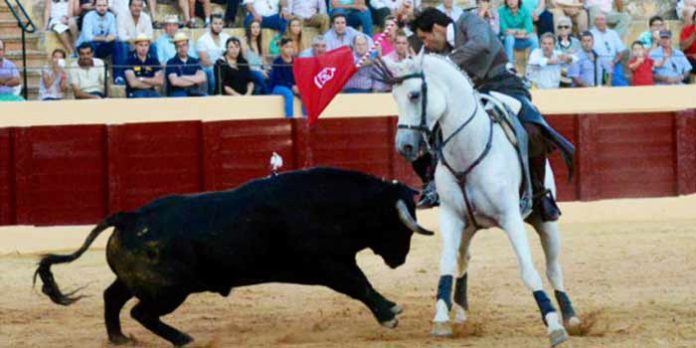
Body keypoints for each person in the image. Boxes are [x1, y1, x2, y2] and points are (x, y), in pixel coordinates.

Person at [409, 8, 575, 220]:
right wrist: (404, 25)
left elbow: (481, 43)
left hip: (505, 85)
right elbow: (419, 56)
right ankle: (432, 184)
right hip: (473, 95)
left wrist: (446, 63)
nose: (425, 45)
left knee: (531, 130)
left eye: (425, 38)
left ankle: (540, 194)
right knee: (427, 131)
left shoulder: (468, 21)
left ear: (436, 29)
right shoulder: (440, 50)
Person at [114, 0, 154, 84]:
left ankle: (151, 74)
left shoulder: (146, 17)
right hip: (127, 44)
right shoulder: (121, 16)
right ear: (129, 7)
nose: (137, 8)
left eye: (139, 6)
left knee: (153, 46)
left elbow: (149, 36)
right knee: (121, 45)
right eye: (134, 6)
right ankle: (120, 76)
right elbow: (121, 36)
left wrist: (139, 44)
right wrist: (135, 42)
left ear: (142, 7)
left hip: (141, 44)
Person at [196, 14, 230, 94]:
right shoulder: (202, 40)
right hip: (210, 68)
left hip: (225, 66)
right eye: (215, 23)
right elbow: (205, 62)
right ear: (210, 24)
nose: (218, 26)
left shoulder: (227, 37)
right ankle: (214, 96)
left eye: (220, 23)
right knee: (213, 72)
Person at [165, 32, 208, 97]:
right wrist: (195, 80)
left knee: (206, 98)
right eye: (179, 46)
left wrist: (183, 77)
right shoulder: (171, 62)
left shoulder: (194, 61)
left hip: (195, 91)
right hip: (178, 92)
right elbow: (174, 81)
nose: (182, 48)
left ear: (188, 46)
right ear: (175, 48)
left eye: (184, 45)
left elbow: (202, 78)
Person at [590, 13, 627, 86]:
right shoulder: (590, 33)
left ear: (606, 21)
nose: (600, 22)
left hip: (613, 60)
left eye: (602, 19)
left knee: (619, 81)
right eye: (597, 20)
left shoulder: (613, 33)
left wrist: (614, 62)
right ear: (594, 22)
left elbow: (621, 51)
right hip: (597, 61)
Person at [499, 0, 539, 64]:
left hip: (521, 39)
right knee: (509, 38)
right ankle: (509, 66)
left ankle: (534, 64)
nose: (511, 2)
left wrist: (515, 32)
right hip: (506, 41)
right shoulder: (501, 11)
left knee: (534, 39)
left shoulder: (525, 10)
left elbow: (529, 28)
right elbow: (504, 29)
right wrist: (519, 32)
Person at [269, 37, 298, 118]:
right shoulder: (277, 61)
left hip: (291, 86)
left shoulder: (295, 61)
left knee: (304, 93)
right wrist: (291, 86)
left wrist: (297, 86)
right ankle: (290, 119)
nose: (289, 49)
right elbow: (278, 80)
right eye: (287, 47)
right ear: (281, 48)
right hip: (277, 86)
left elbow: (297, 76)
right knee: (288, 94)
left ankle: (306, 119)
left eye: (291, 47)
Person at [244, 19, 269, 94]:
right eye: (253, 27)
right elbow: (245, 63)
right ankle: (269, 96)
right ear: (249, 29)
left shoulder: (261, 43)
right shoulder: (244, 41)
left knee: (273, 74)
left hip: (260, 69)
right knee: (260, 76)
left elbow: (264, 62)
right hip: (249, 69)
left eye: (258, 27)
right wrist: (261, 71)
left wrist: (268, 69)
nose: (256, 29)